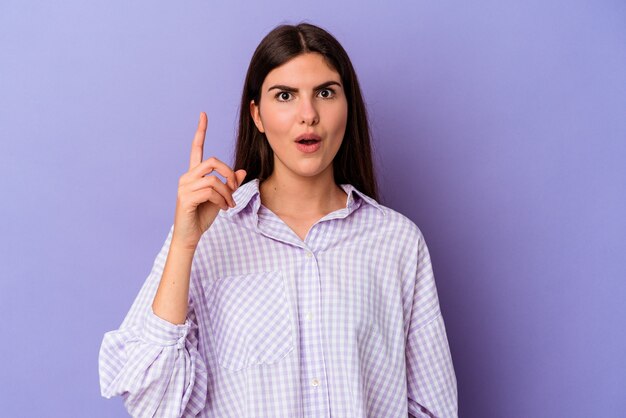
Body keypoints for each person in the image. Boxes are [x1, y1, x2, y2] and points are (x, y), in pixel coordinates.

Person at [99, 22, 457, 417]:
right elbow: (150, 402)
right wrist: (185, 244)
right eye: (285, 95)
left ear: (347, 105)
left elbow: (432, 407)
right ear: (258, 114)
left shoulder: (397, 242)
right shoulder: (207, 235)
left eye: (325, 93)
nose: (308, 115)